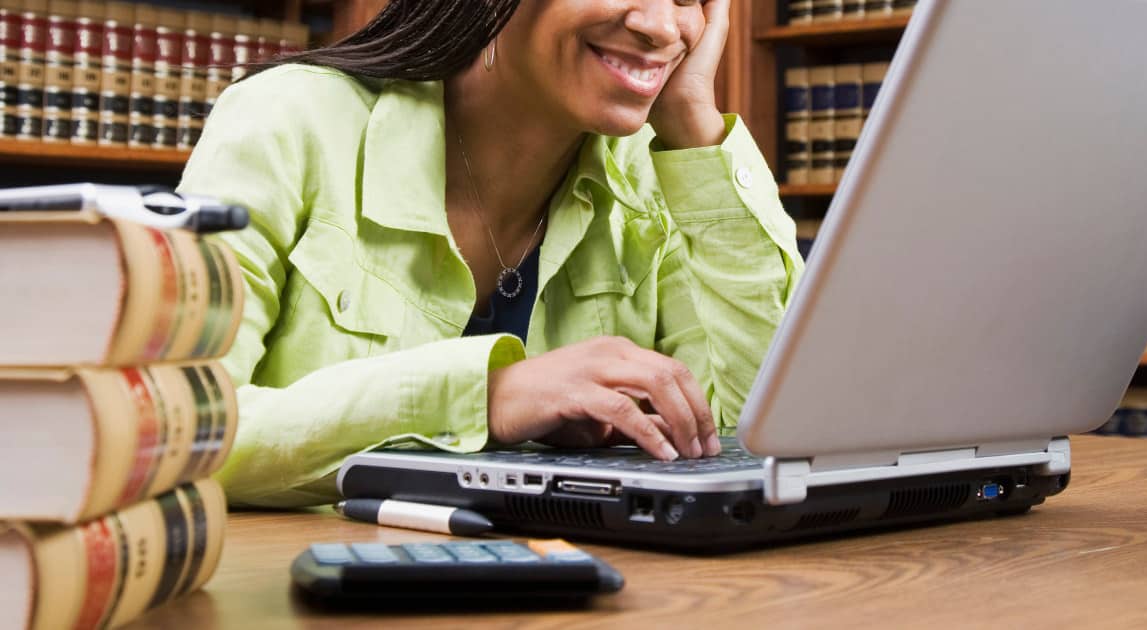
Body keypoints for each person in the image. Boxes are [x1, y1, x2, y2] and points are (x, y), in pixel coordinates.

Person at [178, 0, 803, 508]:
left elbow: (768, 439)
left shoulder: (660, 180)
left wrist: (694, 123)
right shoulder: (289, 121)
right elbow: (180, 430)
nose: (661, 26)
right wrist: (487, 393)